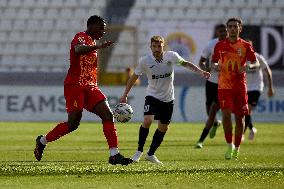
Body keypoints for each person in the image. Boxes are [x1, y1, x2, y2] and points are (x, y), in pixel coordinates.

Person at [34, 15, 133, 165]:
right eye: (101, 28)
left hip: (91, 86)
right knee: (73, 124)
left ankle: (114, 154)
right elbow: (78, 50)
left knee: (108, 115)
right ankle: (42, 141)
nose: (103, 32)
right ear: (91, 26)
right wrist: (98, 47)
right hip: (75, 86)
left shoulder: (93, 42)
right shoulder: (80, 37)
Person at [119, 36, 210, 164]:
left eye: (159, 46)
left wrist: (201, 72)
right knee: (147, 120)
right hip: (152, 96)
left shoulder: (171, 56)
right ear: (150, 47)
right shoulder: (144, 61)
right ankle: (138, 152)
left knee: (163, 128)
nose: (156, 49)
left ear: (164, 46)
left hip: (168, 98)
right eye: (154, 46)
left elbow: (186, 64)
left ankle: (150, 154)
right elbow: (134, 77)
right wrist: (125, 94)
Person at [211, 17, 259, 159]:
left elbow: (256, 63)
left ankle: (237, 147)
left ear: (240, 28)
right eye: (230, 26)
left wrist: (249, 66)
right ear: (227, 29)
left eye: (235, 26)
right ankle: (229, 145)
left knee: (240, 118)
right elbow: (213, 62)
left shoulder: (245, 46)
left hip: (240, 88)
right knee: (226, 115)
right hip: (224, 87)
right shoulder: (220, 45)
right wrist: (216, 66)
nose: (232, 28)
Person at [195, 24, 228, 149]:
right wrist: (205, 68)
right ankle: (215, 124)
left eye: (225, 31)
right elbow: (201, 61)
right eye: (221, 31)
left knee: (214, 109)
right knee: (209, 110)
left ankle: (201, 140)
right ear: (217, 33)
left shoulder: (231, 45)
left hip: (225, 84)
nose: (223, 33)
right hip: (211, 81)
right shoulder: (211, 45)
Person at [244, 40, 275, 141]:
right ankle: (252, 129)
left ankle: (242, 134)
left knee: (247, 109)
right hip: (245, 88)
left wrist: (270, 87)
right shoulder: (241, 58)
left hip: (256, 87)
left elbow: (268, 71)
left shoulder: (258, 57)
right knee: (245, 111)